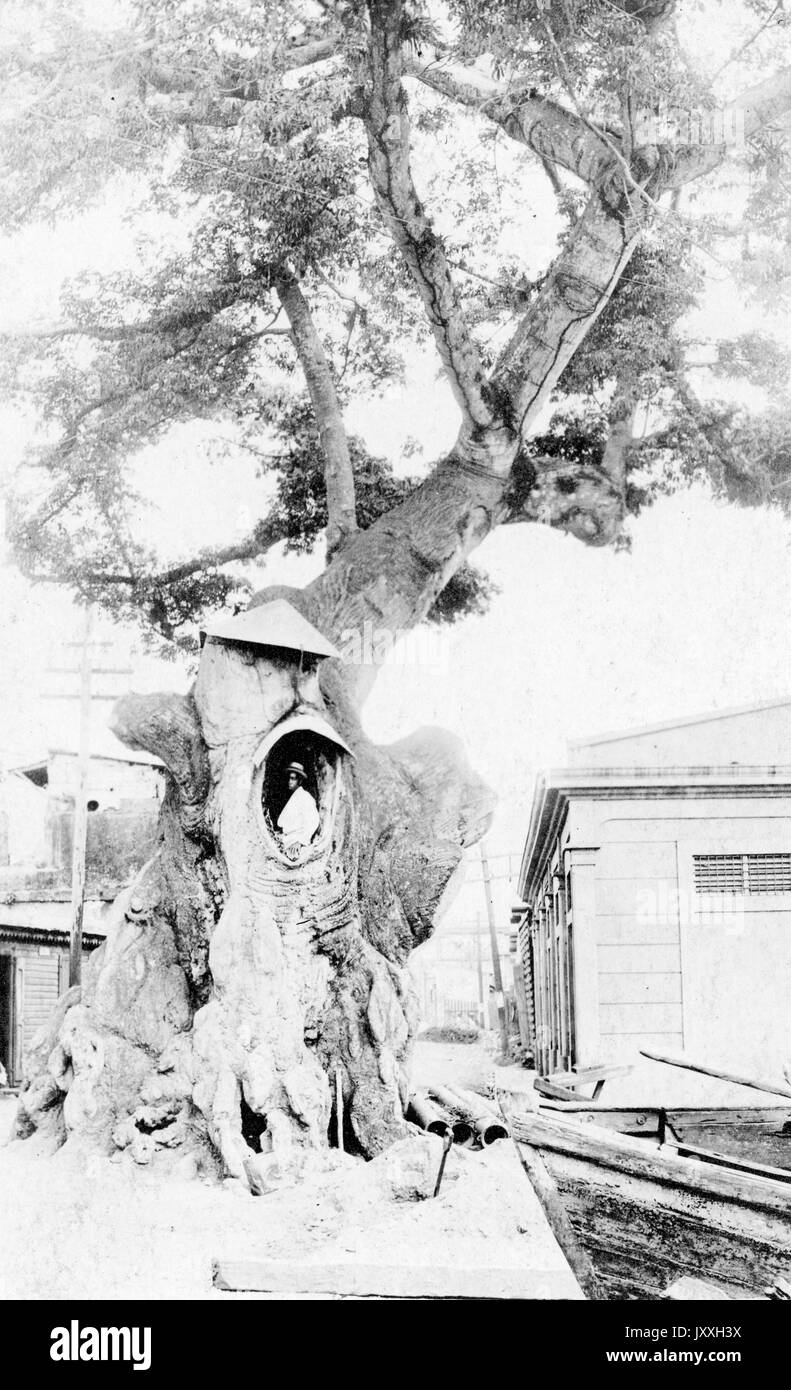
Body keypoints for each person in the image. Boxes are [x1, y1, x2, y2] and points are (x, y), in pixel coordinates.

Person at [277, 761, 320, 855]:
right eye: (288, 778)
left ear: (300, 781)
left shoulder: (305, 797)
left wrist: (300, 841)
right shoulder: (294, 796)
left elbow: (313, 821)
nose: (289, 781)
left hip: (295, 843)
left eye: (293, 779)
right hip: (287, 839)